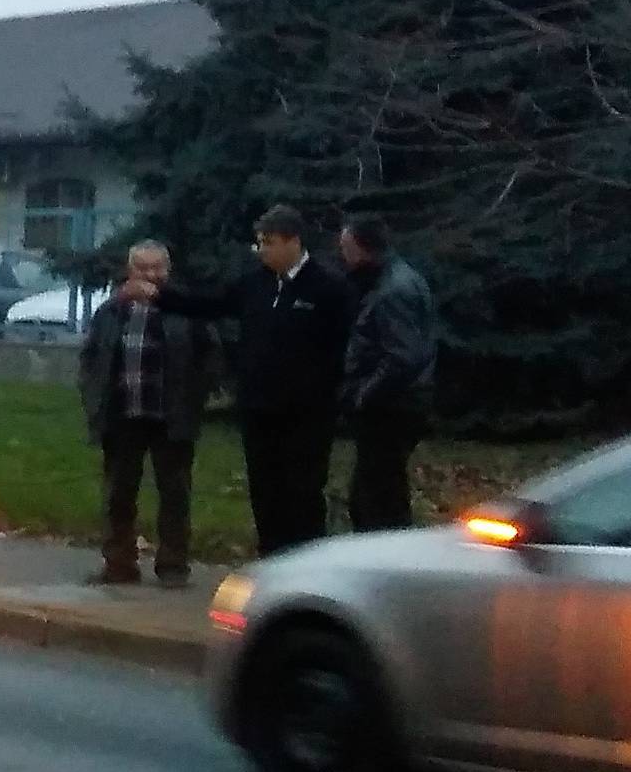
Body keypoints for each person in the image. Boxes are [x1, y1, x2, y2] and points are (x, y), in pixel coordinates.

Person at [128, 202, 352, 557]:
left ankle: (307, 562)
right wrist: (162, 295)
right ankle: (271, 557)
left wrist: (328, 393)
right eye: (259, 243)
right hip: (259, 407)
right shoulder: (255, 283)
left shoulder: (327, 287)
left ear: (292, 242)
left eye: (269, 242)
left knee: (303, 491)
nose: (262, 250)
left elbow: (342, 347)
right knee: (265, 490)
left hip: (307, 413)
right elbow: (211, 303)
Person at [78, 239, 220, 586]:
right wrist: (94, 400)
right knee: (118, 493)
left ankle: (173, 565)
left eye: (158, 268)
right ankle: (119, 564)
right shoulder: (112, 311)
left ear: (168, 271)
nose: (151, 275)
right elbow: (91, 358)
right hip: (122, 413)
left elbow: (211, 356)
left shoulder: (183, 309)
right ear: (130, 271)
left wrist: (195, 396)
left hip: (171, 415)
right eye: (143, 268)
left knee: (175, 493)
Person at [338, 214, 437, 533]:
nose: (343, 256)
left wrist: (364, 394)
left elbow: (403, 357)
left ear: (362, 248)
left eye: (346, 247)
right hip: (395, 405)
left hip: (391, 409)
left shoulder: (392, 291)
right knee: (378, 493)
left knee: (377, 499)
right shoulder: (394, 281)